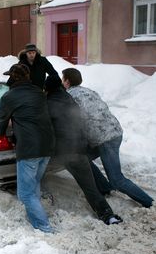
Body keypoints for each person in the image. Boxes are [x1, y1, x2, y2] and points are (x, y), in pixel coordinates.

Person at [62, 68, 154, 208]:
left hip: (106, 139)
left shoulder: (70, 96)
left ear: (67, 81)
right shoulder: (88, 91)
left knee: (117, 179)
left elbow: (73, 119)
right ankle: (104, 188)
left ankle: (148, 202)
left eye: (63, 79)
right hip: (114, 132)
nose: (62, 82)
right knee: (83, 158)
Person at [44, 75, 122, 225]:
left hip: (64, 151)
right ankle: (108, 215)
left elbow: (45, 129)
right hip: (79, 148)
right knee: (89, 185)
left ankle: (45, 201)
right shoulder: (70, 100)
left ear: (47, 89)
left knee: (36, 172)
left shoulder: (48, 104)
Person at [0, 63, 55, 233]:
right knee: (33, 184)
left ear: (12, 78)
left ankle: (45, 227)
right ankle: (35, 221)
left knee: (25, 194)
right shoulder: (39, 92)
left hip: (29, 148)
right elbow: (33, 115)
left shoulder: (9, 97)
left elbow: (1, 127)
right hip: (48, 145)